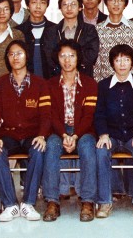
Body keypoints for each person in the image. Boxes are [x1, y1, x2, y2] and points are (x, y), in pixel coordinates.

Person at [0, 40, 51, 222]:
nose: (16, 57)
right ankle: (10, 205)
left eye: (20, 53)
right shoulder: (0, 84)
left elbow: (46, 114)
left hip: (32, 133)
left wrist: (42, 135)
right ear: (7, 58)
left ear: (27, 56)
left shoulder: (40, 84)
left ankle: (28, 203)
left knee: (39, 150)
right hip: (9, 133)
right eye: (11, 54)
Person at [95, 44, 133, 219]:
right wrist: (103, 134)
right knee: (100, 151)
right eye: (118, 60)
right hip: (111, 135)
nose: (122, 64)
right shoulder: (103, 86)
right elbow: (98, 113)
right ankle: (105, 201)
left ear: (132, 63)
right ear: (112, 63)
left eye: (126, 60)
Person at [42, 40, 99, 222]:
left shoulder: (90, 84)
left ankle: (88, 201)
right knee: (51, 147)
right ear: (57, 59)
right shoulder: (49, 85)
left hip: (83, 130)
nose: (67, 60)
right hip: (59, 131)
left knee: (89, 148)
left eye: (71, 55)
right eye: (63, 56)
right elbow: (50, 115)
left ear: (78, 58)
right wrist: (64, 134)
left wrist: (74, 135)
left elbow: (89, 116)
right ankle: (52, 201)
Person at [42, 0, 99, 78]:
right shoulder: (51, 31)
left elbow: (91, 54)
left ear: (80, 7)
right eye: (65, 4)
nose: (69, 8)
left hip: (84, 78)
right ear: (60, 8)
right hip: (58, 79)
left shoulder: (89, 30)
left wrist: (72, 67)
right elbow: (49, 57)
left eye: (73, 4)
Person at [93, 0, 133, 82]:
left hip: (129, 83)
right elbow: (97, 63)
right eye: (112, 0)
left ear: (125, 4)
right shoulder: (97, 29)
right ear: (106, 3)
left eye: (120, 0)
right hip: (106, 84)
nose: (116, 4)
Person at [15, 0, 57, 78]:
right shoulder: (18, 31)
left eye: (42, 3)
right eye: (34, 2)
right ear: (28, 5)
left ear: (47, 5)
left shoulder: (55, 30)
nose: (38, 6)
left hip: (51, 83)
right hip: (26, 83)